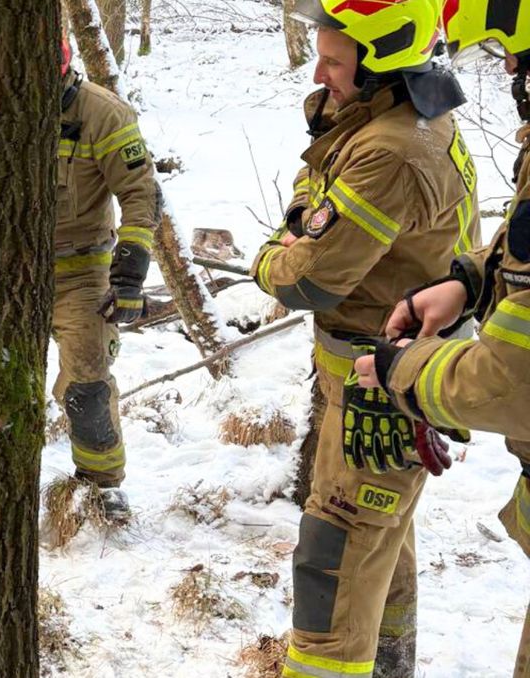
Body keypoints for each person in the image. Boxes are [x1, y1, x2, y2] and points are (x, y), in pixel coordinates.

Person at [250, 2, 480, 676]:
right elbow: (317, 191)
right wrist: (309, 207)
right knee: (381, 546)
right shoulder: (395, 117)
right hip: (368, 378)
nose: (319, 73)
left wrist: (275, 250)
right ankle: (387, 663)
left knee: (335, 559)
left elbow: (304, 281)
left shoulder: (389, 150)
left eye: (334, 62)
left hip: (378, 386)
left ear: (383, 65)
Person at [354, 2, 530, 673]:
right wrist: (471, 280)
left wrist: (405, 372)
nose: (508, 71)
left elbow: (513, 384)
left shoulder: (395, 146)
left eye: (513, 57)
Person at [53, 36, 161, 518]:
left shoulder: (103, 113)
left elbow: (140, 193)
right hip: (9, 270)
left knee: (87, 385)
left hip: (82, 270)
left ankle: (102, 485)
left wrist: (130, 272)